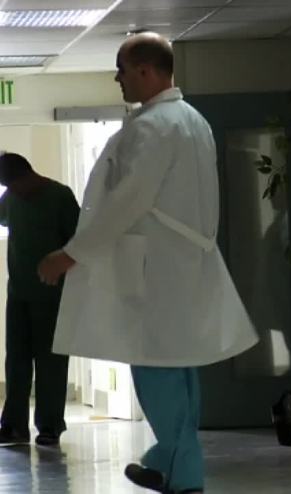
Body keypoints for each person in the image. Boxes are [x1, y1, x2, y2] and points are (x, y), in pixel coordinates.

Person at [37, 33, 257, 494]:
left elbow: (126, 201)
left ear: (144, 70)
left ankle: (175, 466)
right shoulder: (192, 121)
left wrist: (71, 253)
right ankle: (174, 465)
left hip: (159, 266)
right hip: (181, 261)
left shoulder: (154, 126)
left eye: (121, 70)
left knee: (157, 365)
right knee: (179, 365)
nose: (117, 79)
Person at [0, 153, 79, 447]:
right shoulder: (11, 197)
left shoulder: (60, 197)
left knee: (51, 361)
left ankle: (49, 426)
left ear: (28, 174)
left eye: (15, 185)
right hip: (19, 293)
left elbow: (78, 243)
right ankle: (13, 425)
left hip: (53, 294)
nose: (14, 192)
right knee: (16, 360)